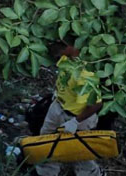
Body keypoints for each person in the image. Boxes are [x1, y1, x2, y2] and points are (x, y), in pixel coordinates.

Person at [34, 42, 103, 176]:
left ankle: (91, 173)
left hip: (78, 118)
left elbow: (96, 104)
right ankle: (46, 172)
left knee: (80, 152)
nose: (59, 50)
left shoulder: (84, 74)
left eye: (63, 46)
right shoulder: (66, 59)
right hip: (58, 106)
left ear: (72, 47)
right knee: (46, 141)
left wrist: (75, 122)